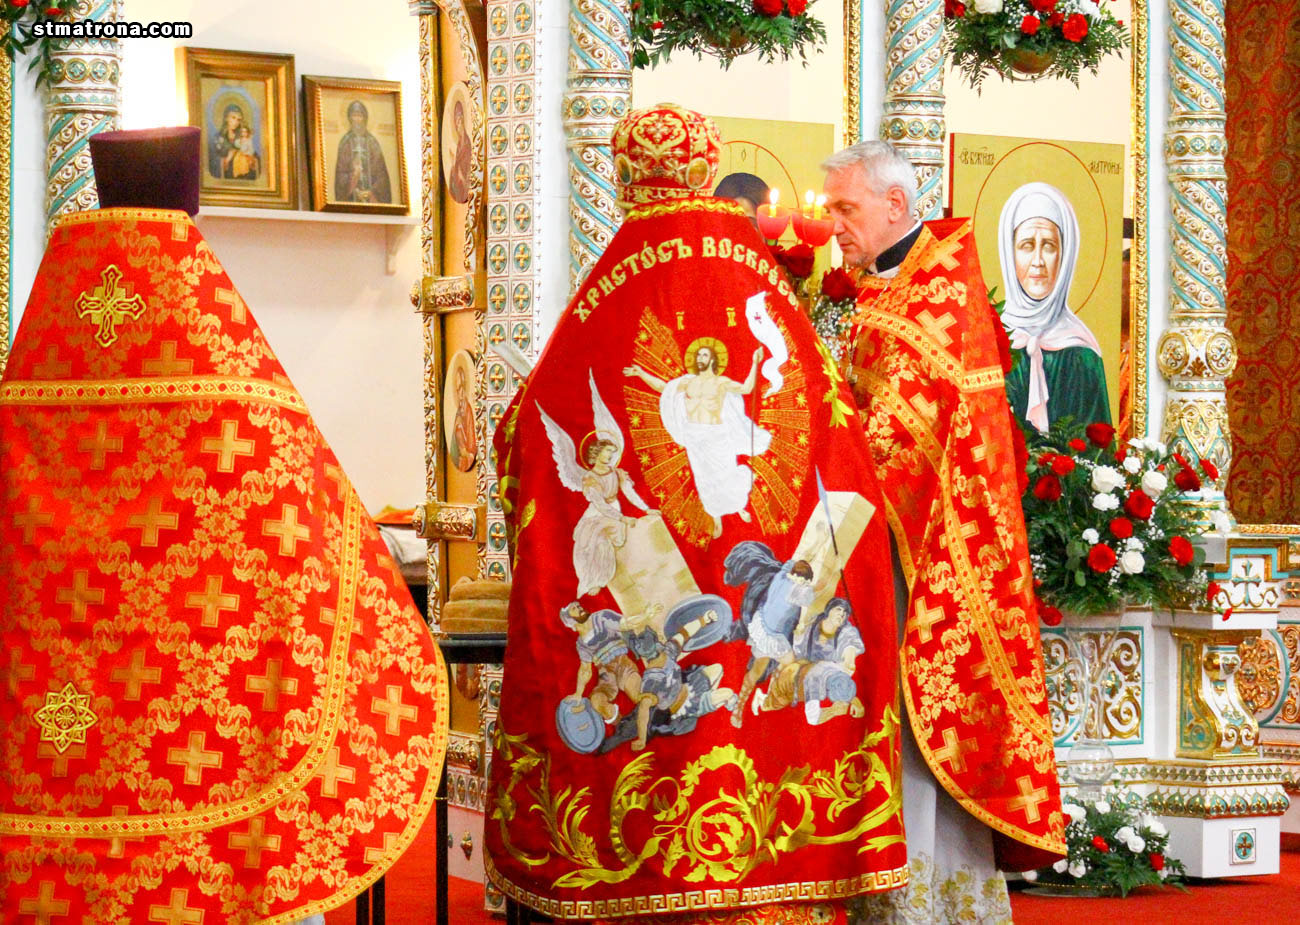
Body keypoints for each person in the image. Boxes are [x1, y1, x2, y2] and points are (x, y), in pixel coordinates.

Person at [0, 127, 448, 924]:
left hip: (56, 716)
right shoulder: (219, 355)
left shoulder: (49, 341)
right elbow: (300, 522)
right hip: (200, 735)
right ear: (191, 198)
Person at [486, 104, 907, 925]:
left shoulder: (604, 299)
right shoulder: (766, 291)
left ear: (623, 179)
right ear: (704, 170)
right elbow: (843, 440)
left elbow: (520, 439)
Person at [823, 140, 1066, 923]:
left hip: (930, 547)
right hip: (884, 535)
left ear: (895, 203)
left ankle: (922, 898)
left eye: (846, 209)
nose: (834, 225)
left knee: (917, 718)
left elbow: (896, 432)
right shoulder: (884, 285)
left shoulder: (939, 289)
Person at [623, 341, 771, 538]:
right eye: (698, 355)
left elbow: (746, 388)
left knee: (726, 474)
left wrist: (755, 363)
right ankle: (715, 514)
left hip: (717, 436)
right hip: (695, 437)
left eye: (704, 355)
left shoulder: (720, 383)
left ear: (713, 360)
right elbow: (664, 388)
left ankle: (738, 506)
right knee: (704, 478)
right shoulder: (687, 383)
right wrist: (641, 373)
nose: (700, 358)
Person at [997, 181, 1110, 433]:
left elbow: (1096, 449)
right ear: (1009, 253)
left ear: (1065, 255)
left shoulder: (1082, 354)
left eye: (1049, 246)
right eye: (1027, 246)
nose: (1038, 261)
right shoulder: (990, 343)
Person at [334, 100, 393, 203]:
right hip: (351, 200)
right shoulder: (345, 142)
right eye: (354, 116)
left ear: (365, 118)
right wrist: (354, 176)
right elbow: (340, 176)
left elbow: (381, 175)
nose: (357, 120)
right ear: (349, 118)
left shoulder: (372, 143)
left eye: (360, 116)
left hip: (372, 198)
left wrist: (372, 192)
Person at [209, 102, 247, 179]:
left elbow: (254, 157)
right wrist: (225, 160)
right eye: (233, 118)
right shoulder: (217, 138)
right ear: (226, 118)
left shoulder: (242, 138)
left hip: (240, 178)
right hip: (224, 179)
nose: (236, 122)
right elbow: (211, 159)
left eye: (238, 120)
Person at [451, 364, 478, 470]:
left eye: (461, 387)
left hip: (467, 460)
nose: (460, 392)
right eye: (457, 389)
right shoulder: (458, 412)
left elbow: (471, 445)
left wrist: (466, 453)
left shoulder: (468, 410)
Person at [447, 99, 472, 203]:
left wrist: (458, 170)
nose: (458, 125)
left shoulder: (467, 143)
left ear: (463, 121)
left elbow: (467, 171)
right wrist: (454, 165)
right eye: (456, 122)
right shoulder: (458, 145)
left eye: (459, 121)